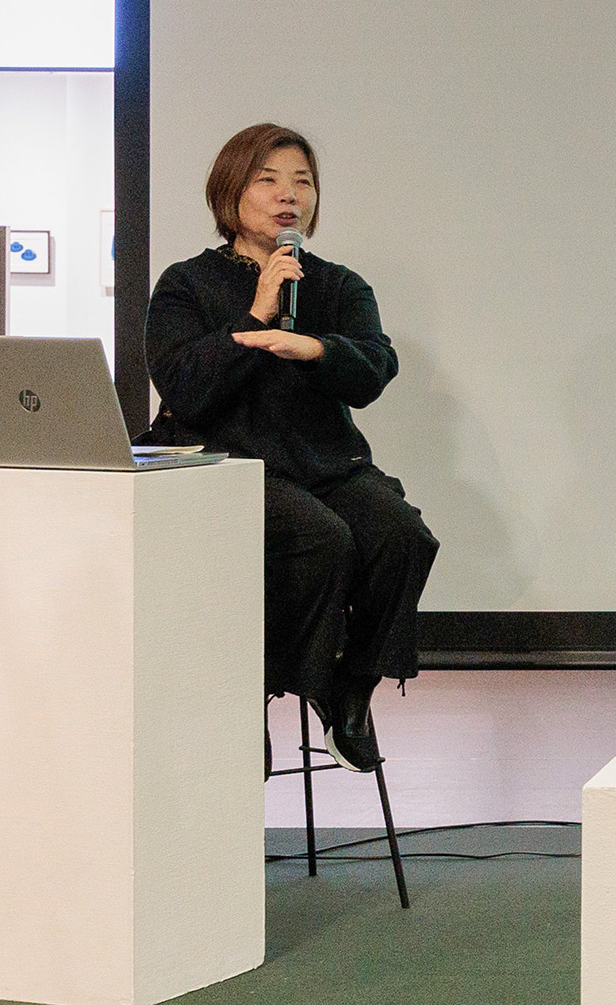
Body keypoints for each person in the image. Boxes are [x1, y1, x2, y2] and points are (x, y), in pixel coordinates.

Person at [144, 123, 439, 773]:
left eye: (302, 182)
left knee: (402, 536)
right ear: (230, 192)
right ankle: (249, 690)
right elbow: (183, 387)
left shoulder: (337, 285)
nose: (289, 196)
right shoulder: (186, 284)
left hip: (325, 465)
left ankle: (350, 689)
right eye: (269, 180)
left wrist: (317, 349)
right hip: (227, 467)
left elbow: (374, 369)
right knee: (320, 539)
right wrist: (255, 316)